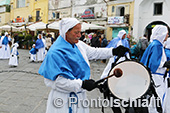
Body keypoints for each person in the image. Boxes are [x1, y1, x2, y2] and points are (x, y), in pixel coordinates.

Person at [38, 18, 129, 113]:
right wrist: (82, 84)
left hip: (80, 97)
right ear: (66, 32)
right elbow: (55, 82)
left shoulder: (78, 45)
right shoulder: (55, 52)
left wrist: (113, 51)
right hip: (63, 100)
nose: (79, 35)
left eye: (80, 32)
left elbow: (94, 52)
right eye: (76, 32)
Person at [140, 25, 170, 113]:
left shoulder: (154, 44)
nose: (167, 35)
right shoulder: (157, 45)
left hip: (154, 77)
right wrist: (165, 64)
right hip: (157, 78)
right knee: (157, 101)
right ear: (162, 33)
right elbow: (153, 64)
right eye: (167, 33)